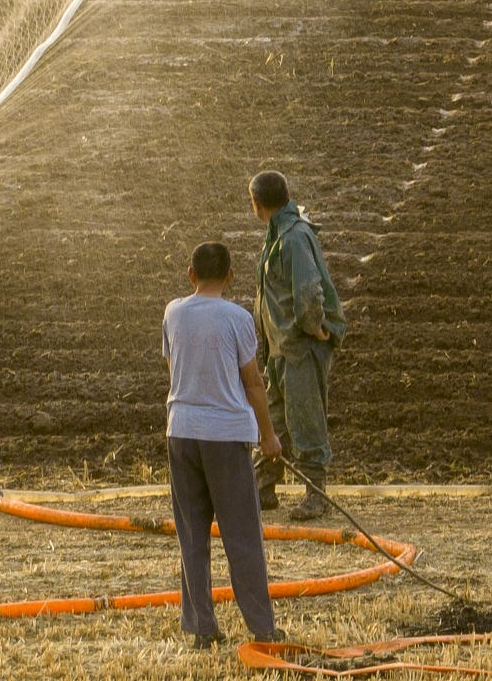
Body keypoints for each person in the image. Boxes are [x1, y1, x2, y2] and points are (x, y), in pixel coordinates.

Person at [162, 241, 286, 648]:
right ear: (231, 276)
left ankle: (201, 628)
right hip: (227, 435)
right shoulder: (238, 317)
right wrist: (268, 437)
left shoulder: (173, 312)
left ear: (190, 274)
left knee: (192, 535)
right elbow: (252, 382)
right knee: (242, 534)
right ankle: (262, 628)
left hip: (181, 432)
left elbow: (175, 367)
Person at [249, 170, 345, 521]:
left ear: (257, 204)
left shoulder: (293, 237)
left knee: (305, 419)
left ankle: (315, 496)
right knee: (274, 419)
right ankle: (264, 487)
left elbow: (307, 290)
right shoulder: (280, 234)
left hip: (299, 345)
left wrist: (314, 326)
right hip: (281, 345)